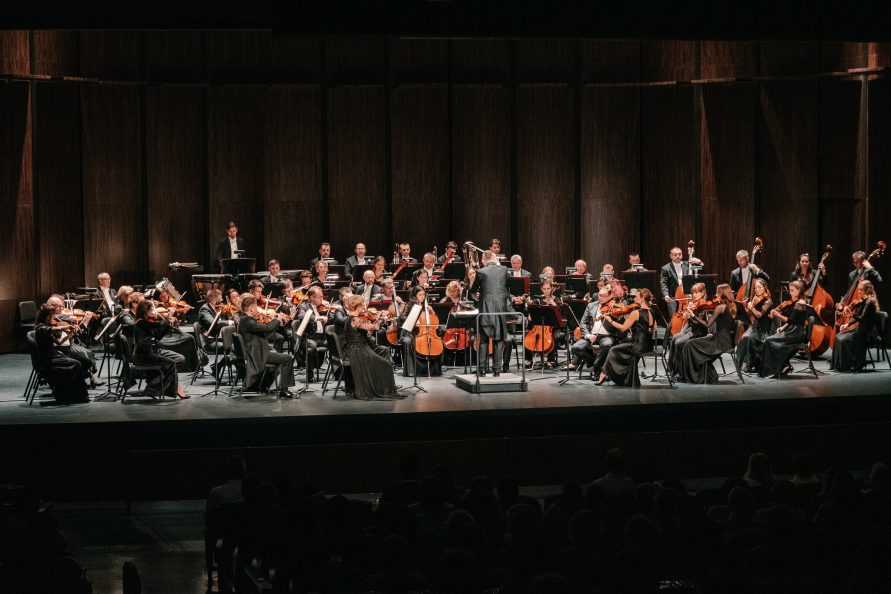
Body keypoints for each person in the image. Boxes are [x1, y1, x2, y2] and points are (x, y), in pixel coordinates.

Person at [342, 295, 404, 400]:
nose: (364, 307)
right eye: (363, 305)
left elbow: (365, 332)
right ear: (359, 306)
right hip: (358, 351)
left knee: (384, 362)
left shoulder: (352, 318)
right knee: (386, 365)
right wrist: (381, 319)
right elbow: (375, 327)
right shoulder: (355, 320)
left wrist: (372, 327)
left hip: (359, 348)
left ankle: (381, 386)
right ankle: (382, 389)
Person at [237, 296, 295, 397]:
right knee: (288, 358)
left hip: (256, 352)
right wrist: (277, 319)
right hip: (257, 355)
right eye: (256, 308)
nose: (257, 310)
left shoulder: (243, 320)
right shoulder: (248, 321)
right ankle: (284, 390)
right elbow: (267, 328)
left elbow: (263, 331)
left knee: (278, 353)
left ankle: (275, 386)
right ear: (251, 308)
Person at [679, 283, 737, 384]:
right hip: (727, 340)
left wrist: (693, 316)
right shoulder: (731, 306)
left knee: (690, 344)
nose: (715, 295)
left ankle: (692, 376)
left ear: (722, 294)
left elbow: (707, 324)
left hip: (720, 341)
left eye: (717, 293)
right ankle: (700, 374)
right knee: (691, 343)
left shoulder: (720, 307)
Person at [33, 304, 91, 403]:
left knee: (77, 362)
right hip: (48, 359)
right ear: (47, 316)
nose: (53, 318)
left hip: (54, 356)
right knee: (76, 364)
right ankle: (80, 396)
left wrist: (70, 334)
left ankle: (74, 394)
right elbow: (53, 329)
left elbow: (59, 342)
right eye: (52, 316)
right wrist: (65, 326)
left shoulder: (46, 327)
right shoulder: (39, 328)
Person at [469, 250, 513, 376]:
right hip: (500, 309)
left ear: (483, 260)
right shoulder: (504, 270)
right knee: (498, 339)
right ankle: (497, 370)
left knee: (483, 339)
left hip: (486, 310)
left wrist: (477, 295)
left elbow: (473, 290)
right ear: (495, 259)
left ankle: (482, 370)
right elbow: (506, 286)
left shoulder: (481, 271)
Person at [600, 288, 656, 387]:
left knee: (613, 349)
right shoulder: (652, 311)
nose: (634, 299)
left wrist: (610, 320)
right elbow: (654, 328)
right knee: (623, 347)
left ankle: (605, 374)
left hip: (637, 346)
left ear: (642, 299)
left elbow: (623, 328)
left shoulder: (636, 313)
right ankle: (623, 376)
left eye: (637, 297)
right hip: (647, 345)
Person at [132, 299, 187, 398]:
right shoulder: (141, 322)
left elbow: (158, 335)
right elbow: (158, 325)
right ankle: (155, 389)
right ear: (145, 311)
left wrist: (168, 324)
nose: (154, 311)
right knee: (170, 363)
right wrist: (168, 316)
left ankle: (156, 383)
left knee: (179, 360)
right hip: (144, 356)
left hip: (151, 352)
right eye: (152, 309)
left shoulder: (148, 322)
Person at [45, 294, 103, 387]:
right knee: (82, 361)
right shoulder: (48, 321)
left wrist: (73, 332)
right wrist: (67, 327)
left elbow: (66, 337)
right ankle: (81, 381)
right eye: (59, 306)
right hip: (58, 351)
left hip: (66, 346)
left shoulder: (59, 318)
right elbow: (58, 341)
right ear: (51, 307)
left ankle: (84, 379)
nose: (62, 309)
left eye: (62, 306)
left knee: (87, 360)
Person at [759, 280, 808, 378]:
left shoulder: (800, 303)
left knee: (769, 340)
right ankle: (782, 365)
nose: (790, 292)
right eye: (790, 290)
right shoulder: (797, 302)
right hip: (793, 329)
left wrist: (778, 315)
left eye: (792, 290)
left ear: (799, 290)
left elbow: (790, 321)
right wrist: (782, 327)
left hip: (796, 333)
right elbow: (794, 320)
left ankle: (777, 368)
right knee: (770, 340)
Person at [831, 280, 880, 372]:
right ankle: (838, 365)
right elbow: (859, 318)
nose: (858, 291)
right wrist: (847, 324)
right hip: (860, 328)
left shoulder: (870, 302)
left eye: (860, 290)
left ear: (866, 290)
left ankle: (848, 365)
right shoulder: (864, 301)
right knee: (838, 336)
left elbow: (861, 318)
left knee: (842, 340)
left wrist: (851, 314)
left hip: (866, 332)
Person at [666, 282, 710, 380]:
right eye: (692, 293)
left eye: (696, 293)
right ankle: (671, 369)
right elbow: (691, 323)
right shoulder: (694, 303)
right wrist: (687, 316)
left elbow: (699, 324)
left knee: (678, 342)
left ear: (703, 293)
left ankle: (680, 372)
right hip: (690, 330)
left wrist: (690, 316)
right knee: (674, 337)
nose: (693, 295)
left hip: (698, 332)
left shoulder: (703, 305)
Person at [398, 285, 442, 377]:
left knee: (439, 344)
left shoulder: (426, 306)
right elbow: (402, 317)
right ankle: (410, 371)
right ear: (415, 295)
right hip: (409, 332)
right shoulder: (410, 304)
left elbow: (433, 320)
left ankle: (435, 371)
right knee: (407, 342)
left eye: (423, 295)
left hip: (423, 333)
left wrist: (432, 312)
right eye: (420, 295)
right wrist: (414, 320)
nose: (422, 297)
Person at [523, 278, 565, 369]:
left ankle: (550, 360)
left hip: (552, 327)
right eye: (544, 289)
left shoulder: (556, 300)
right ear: (541, 289)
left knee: (555, 336)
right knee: (527, 336)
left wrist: (554, 305)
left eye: (548, 289)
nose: (546, 291)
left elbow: (562, 313)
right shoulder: (538, 299)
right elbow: (528, 308)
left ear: (551, 289)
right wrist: (530, 314)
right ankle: (529, 360)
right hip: (538, 326)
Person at [736, 278, 774, 373]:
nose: (757, 289)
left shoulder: (768, 301)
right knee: (744, 338)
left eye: (759, 287)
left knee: (751, 338)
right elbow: (750, 313)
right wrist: (746, 307)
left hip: (764, 328)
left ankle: (750, 365)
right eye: (756, 288)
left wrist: (752, 308)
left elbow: (760, 315)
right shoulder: (755, 298)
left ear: (764, 288)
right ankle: (739, 364)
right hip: (756, 326)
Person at [295, 286, 330, 382]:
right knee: (311, 347)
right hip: (308, 337)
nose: (322, 299)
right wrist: (317, 318)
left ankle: (338, 372)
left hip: (321, 338)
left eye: (322, 296)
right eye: (319, 297)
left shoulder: (323, 307)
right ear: (312, 297)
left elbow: (332, 319)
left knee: (335, 342)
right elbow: (301, 316)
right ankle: (310, 373)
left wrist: (331, 311)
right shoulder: (304, 306)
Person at [659, 246, 703, 316]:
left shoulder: (688, 264)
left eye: (680, 254)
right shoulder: (666, 268)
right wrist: (666, 295)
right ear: (671, 256)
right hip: (672, 296)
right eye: (675, 254)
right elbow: (663, 283)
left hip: (687, 295)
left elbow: (701, 271)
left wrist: (700, 262)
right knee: (673, 317)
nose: (678, 256)